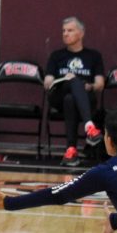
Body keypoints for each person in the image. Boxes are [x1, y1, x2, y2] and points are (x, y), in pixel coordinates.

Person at [44, 17, 105, 167]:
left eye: (70, 30)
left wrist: (88, 86)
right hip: (59, 94)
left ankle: (71, 151)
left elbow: (99, 84)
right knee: (72, 82)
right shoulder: (56, 56)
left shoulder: (93, 56)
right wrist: (66, 80)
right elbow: (47, 82)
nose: (65, 34)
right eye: (64, 31)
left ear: (81, 33)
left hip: (85, 98)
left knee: (71, 99)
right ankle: (90, 127)